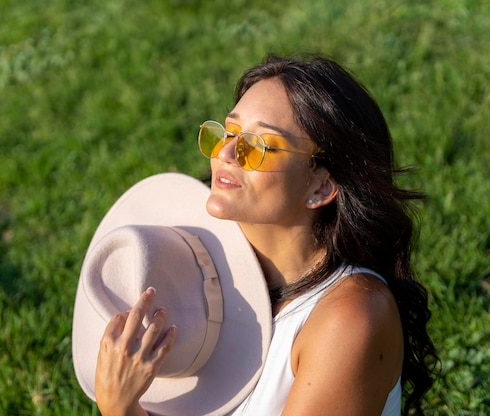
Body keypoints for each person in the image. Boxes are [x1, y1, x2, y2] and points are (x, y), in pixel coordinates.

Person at [82, 54, 438, 415]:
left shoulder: (349, 318)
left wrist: (122, 410)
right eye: (229, 132)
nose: (226, 152)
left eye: (260, 145)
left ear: (321, 185)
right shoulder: (199, 276)